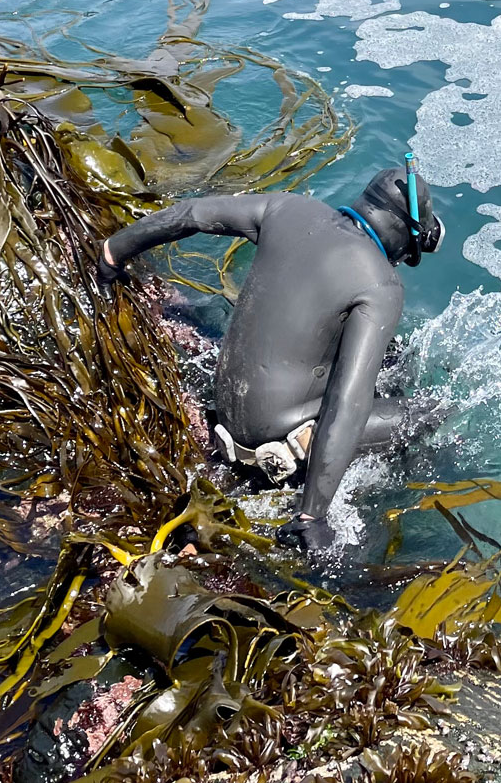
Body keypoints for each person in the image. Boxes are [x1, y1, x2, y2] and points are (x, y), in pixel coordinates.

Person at [96, 156, 444, 553]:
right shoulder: (381, 285)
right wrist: (313, 515)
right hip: (276, 448)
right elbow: (349, 401)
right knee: (429, 411)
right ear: (405, 235)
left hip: (225, 418)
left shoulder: (288, 207)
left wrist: (112, 253)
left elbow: (191, 214)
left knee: (383, 356)